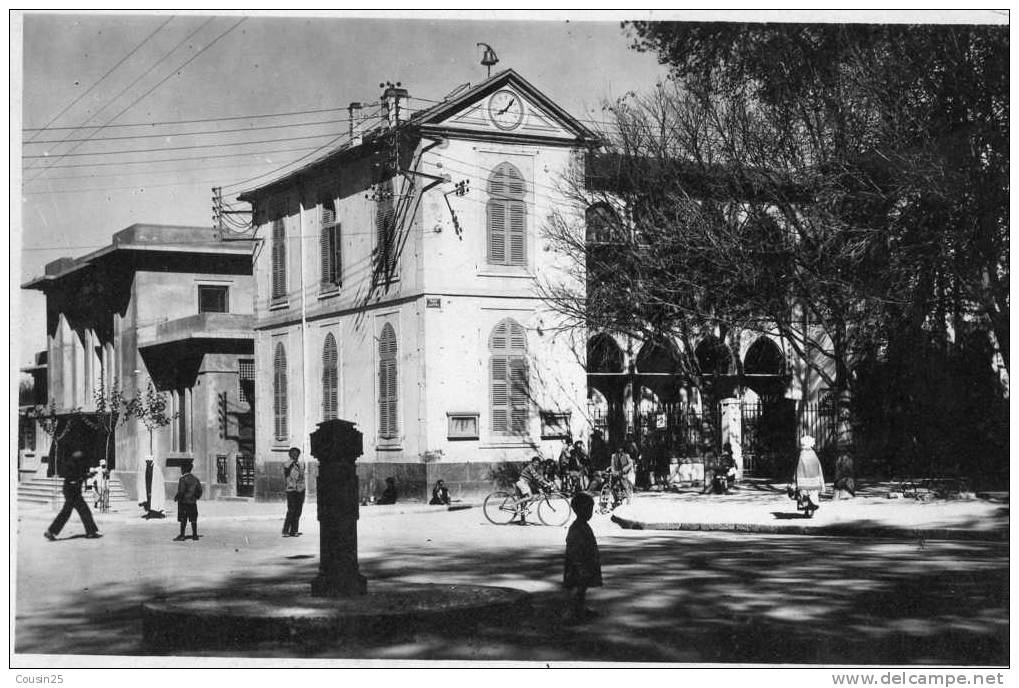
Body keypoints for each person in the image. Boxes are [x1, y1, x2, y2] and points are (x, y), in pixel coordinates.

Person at [562, 492, 602, 624]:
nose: (590, 513)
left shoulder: (583, 525)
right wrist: (579, 565)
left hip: (586, 562)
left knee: (583, 587)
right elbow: (573, 548)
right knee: (576, 588)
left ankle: (580, 608)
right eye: (588, 509)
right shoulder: (576, 528)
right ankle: (570, 613)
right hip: (578, 564)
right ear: (579, 510)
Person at [44, 450, 101, 541]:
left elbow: (78, 475)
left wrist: (87, 475)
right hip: (72, 490)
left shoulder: (75, 462)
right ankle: (90, 532)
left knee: (75, 511)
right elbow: (74, 476)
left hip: (72, 490)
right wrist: (85, 476)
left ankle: (51, 531)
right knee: (78, 511)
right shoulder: (72, 463)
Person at [791, 435, 825, 518]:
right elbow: (818, 467)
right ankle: (811, 510)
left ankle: (806, 510)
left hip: (803, 481)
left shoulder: (801, 454)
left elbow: (798, 467)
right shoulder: (813, 454)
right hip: (813, 481)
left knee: (804, 496)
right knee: (812, 496)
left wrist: (795, 479)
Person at [173, 459, 203, 541]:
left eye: (182, 469)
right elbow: (199, 490)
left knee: (183, 519)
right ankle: (195, 535)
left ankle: (182, 535)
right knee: (193, 519)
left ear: (184, 469)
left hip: (184, 502)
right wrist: (195, 497)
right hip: (193, 502)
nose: (181, 470)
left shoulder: (182, 479)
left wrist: (177, 497)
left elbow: (181, 491)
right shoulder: (195, 479)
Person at [282, 447, 305, 537]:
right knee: (291, 510)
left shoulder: (301, 464)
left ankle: (294, 530)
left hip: (300, 489)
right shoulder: (287, 464)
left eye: (297, 454)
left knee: (298, 511)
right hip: (291, 489)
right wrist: (292, 461)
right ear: (290, 455)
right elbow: (286, 468)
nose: (296, 456)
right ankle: (285, 530)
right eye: (294, 454)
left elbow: (302, 475)